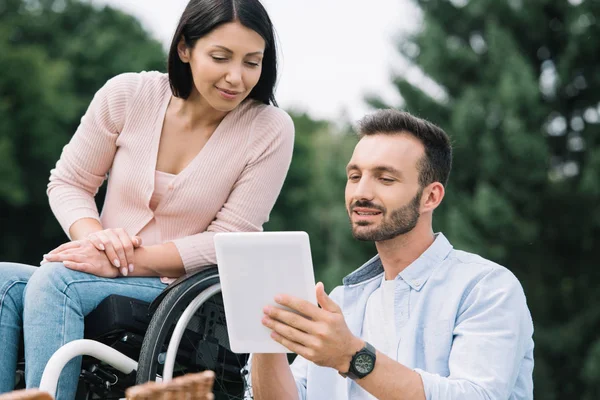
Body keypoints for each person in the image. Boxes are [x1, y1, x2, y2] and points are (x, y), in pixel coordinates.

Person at [0, 0, 294, 398]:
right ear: (185, 49)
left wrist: (125, 261)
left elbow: (230, 237)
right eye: (221, 57)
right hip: (97, 269)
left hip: (177, 291)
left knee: (57, 282)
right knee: (2, 281)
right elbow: (69, 182)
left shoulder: (269, 129)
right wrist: (96, 241)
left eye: (252, 62)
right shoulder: (128, 94)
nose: (236, 78)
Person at [251, 109, 534, 400]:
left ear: (431, 196)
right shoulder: (340, 303)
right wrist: (263, 332)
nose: (361, 192)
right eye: (354, 176)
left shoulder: (486, 288)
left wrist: (351, 356)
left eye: (385, 179)